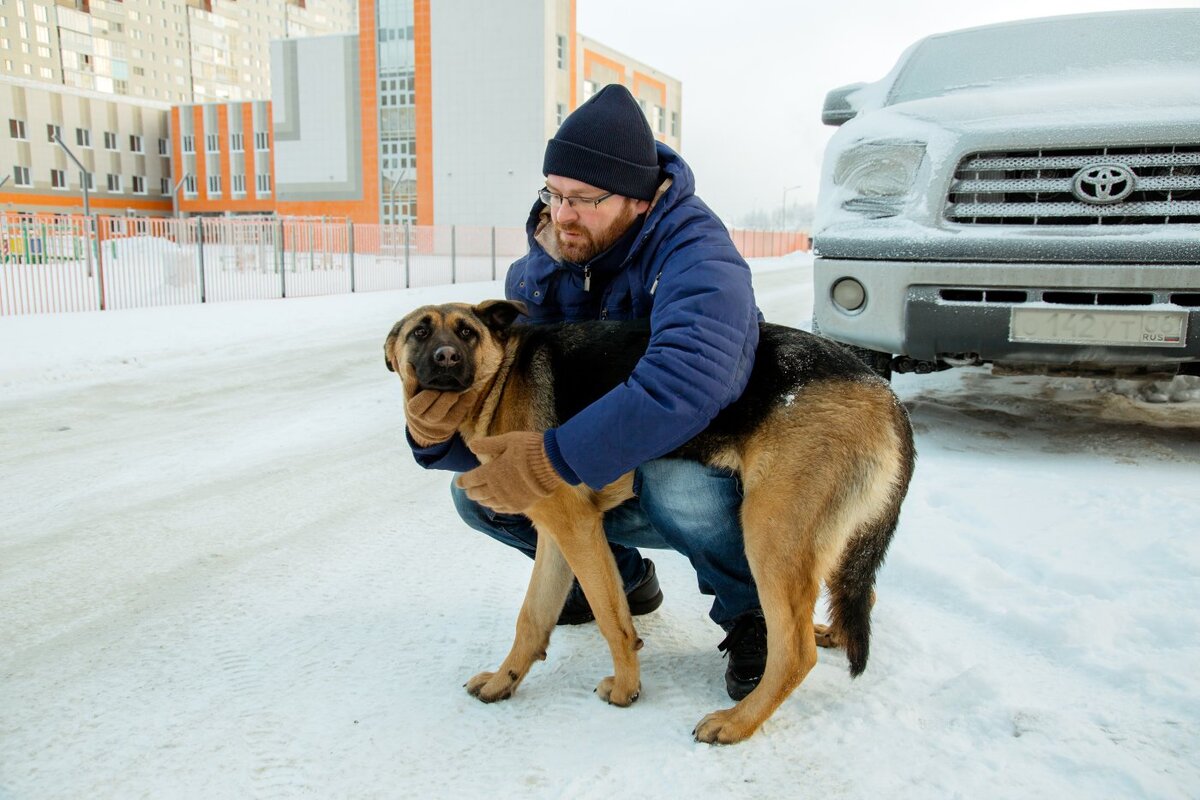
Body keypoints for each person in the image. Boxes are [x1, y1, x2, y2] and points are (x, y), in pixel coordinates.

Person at [403, 84, 767, 701]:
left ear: (637, 198)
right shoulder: (539, 267)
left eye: (583, 199)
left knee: (677, 486)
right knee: (480, 496)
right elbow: (513, 404)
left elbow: (689, 379)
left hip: (710, 438)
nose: (561, 215)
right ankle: (617, 581)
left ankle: (753, 613)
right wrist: (432, 439)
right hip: (599, 455)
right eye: (554, 193)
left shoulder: (696, 251)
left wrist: (553, 460)